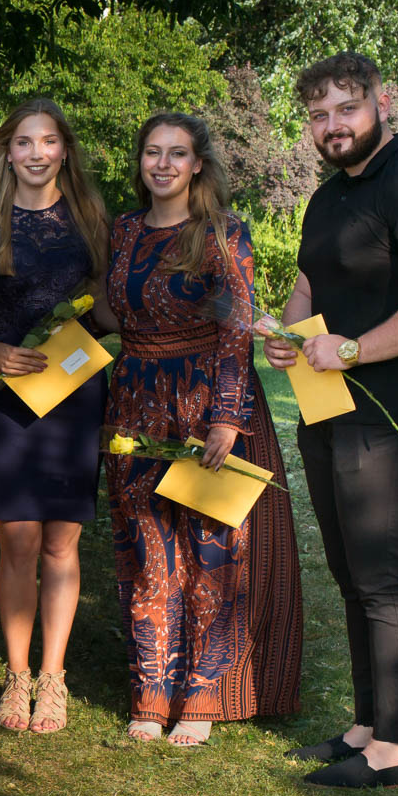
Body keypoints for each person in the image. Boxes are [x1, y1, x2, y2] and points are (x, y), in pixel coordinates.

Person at [266, 53, 398, 789]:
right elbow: (308, 284)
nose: (332, 125)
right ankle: (368, 723)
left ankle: (395, 751)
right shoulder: (329, 196)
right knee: (352, 571)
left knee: (383, 575)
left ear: (382, 103)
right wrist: (288, 334)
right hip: (331, 408)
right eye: (318, 115)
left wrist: (351, 349)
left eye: (346, 108)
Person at [97, 113, 303, 747]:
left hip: (201, 403)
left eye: (176, 154)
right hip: (135, 401)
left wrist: (226, 418)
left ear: (197, 165)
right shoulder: (123, 229)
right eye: (152, 152)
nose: (162, 164)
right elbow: (111, 309)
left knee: (209, 553)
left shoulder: (221, 232)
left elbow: (237, 328)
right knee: (146, 548)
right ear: (140, 161)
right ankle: (151, 691)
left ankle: (203, 696)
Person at [0, 100, 110, 735]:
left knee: (62, 542)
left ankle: (53, 675)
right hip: (8, 397)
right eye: (24, 142)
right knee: (17, 540)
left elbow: (110, 308)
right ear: (8, 151)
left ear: (64, 150)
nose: (37, 153)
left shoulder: (93, 217)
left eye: (48, 141)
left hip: (75, 395)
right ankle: (17, 675)